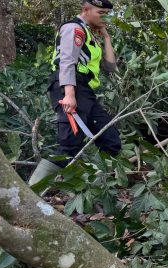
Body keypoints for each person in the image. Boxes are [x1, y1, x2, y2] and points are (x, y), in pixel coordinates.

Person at [48, 0, 120, 167]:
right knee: (69, 146)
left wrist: (106, 37)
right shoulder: (74, 29)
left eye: (107, 14)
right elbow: (66, 61)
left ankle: (100, 184)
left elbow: (110, 66)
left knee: (110, 140)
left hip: (85, 92)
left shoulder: (89, 35)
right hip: (69, 86)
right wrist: (69, 95)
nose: (104, 18)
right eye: (101, 13)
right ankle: (34, 189)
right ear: (86, 10)